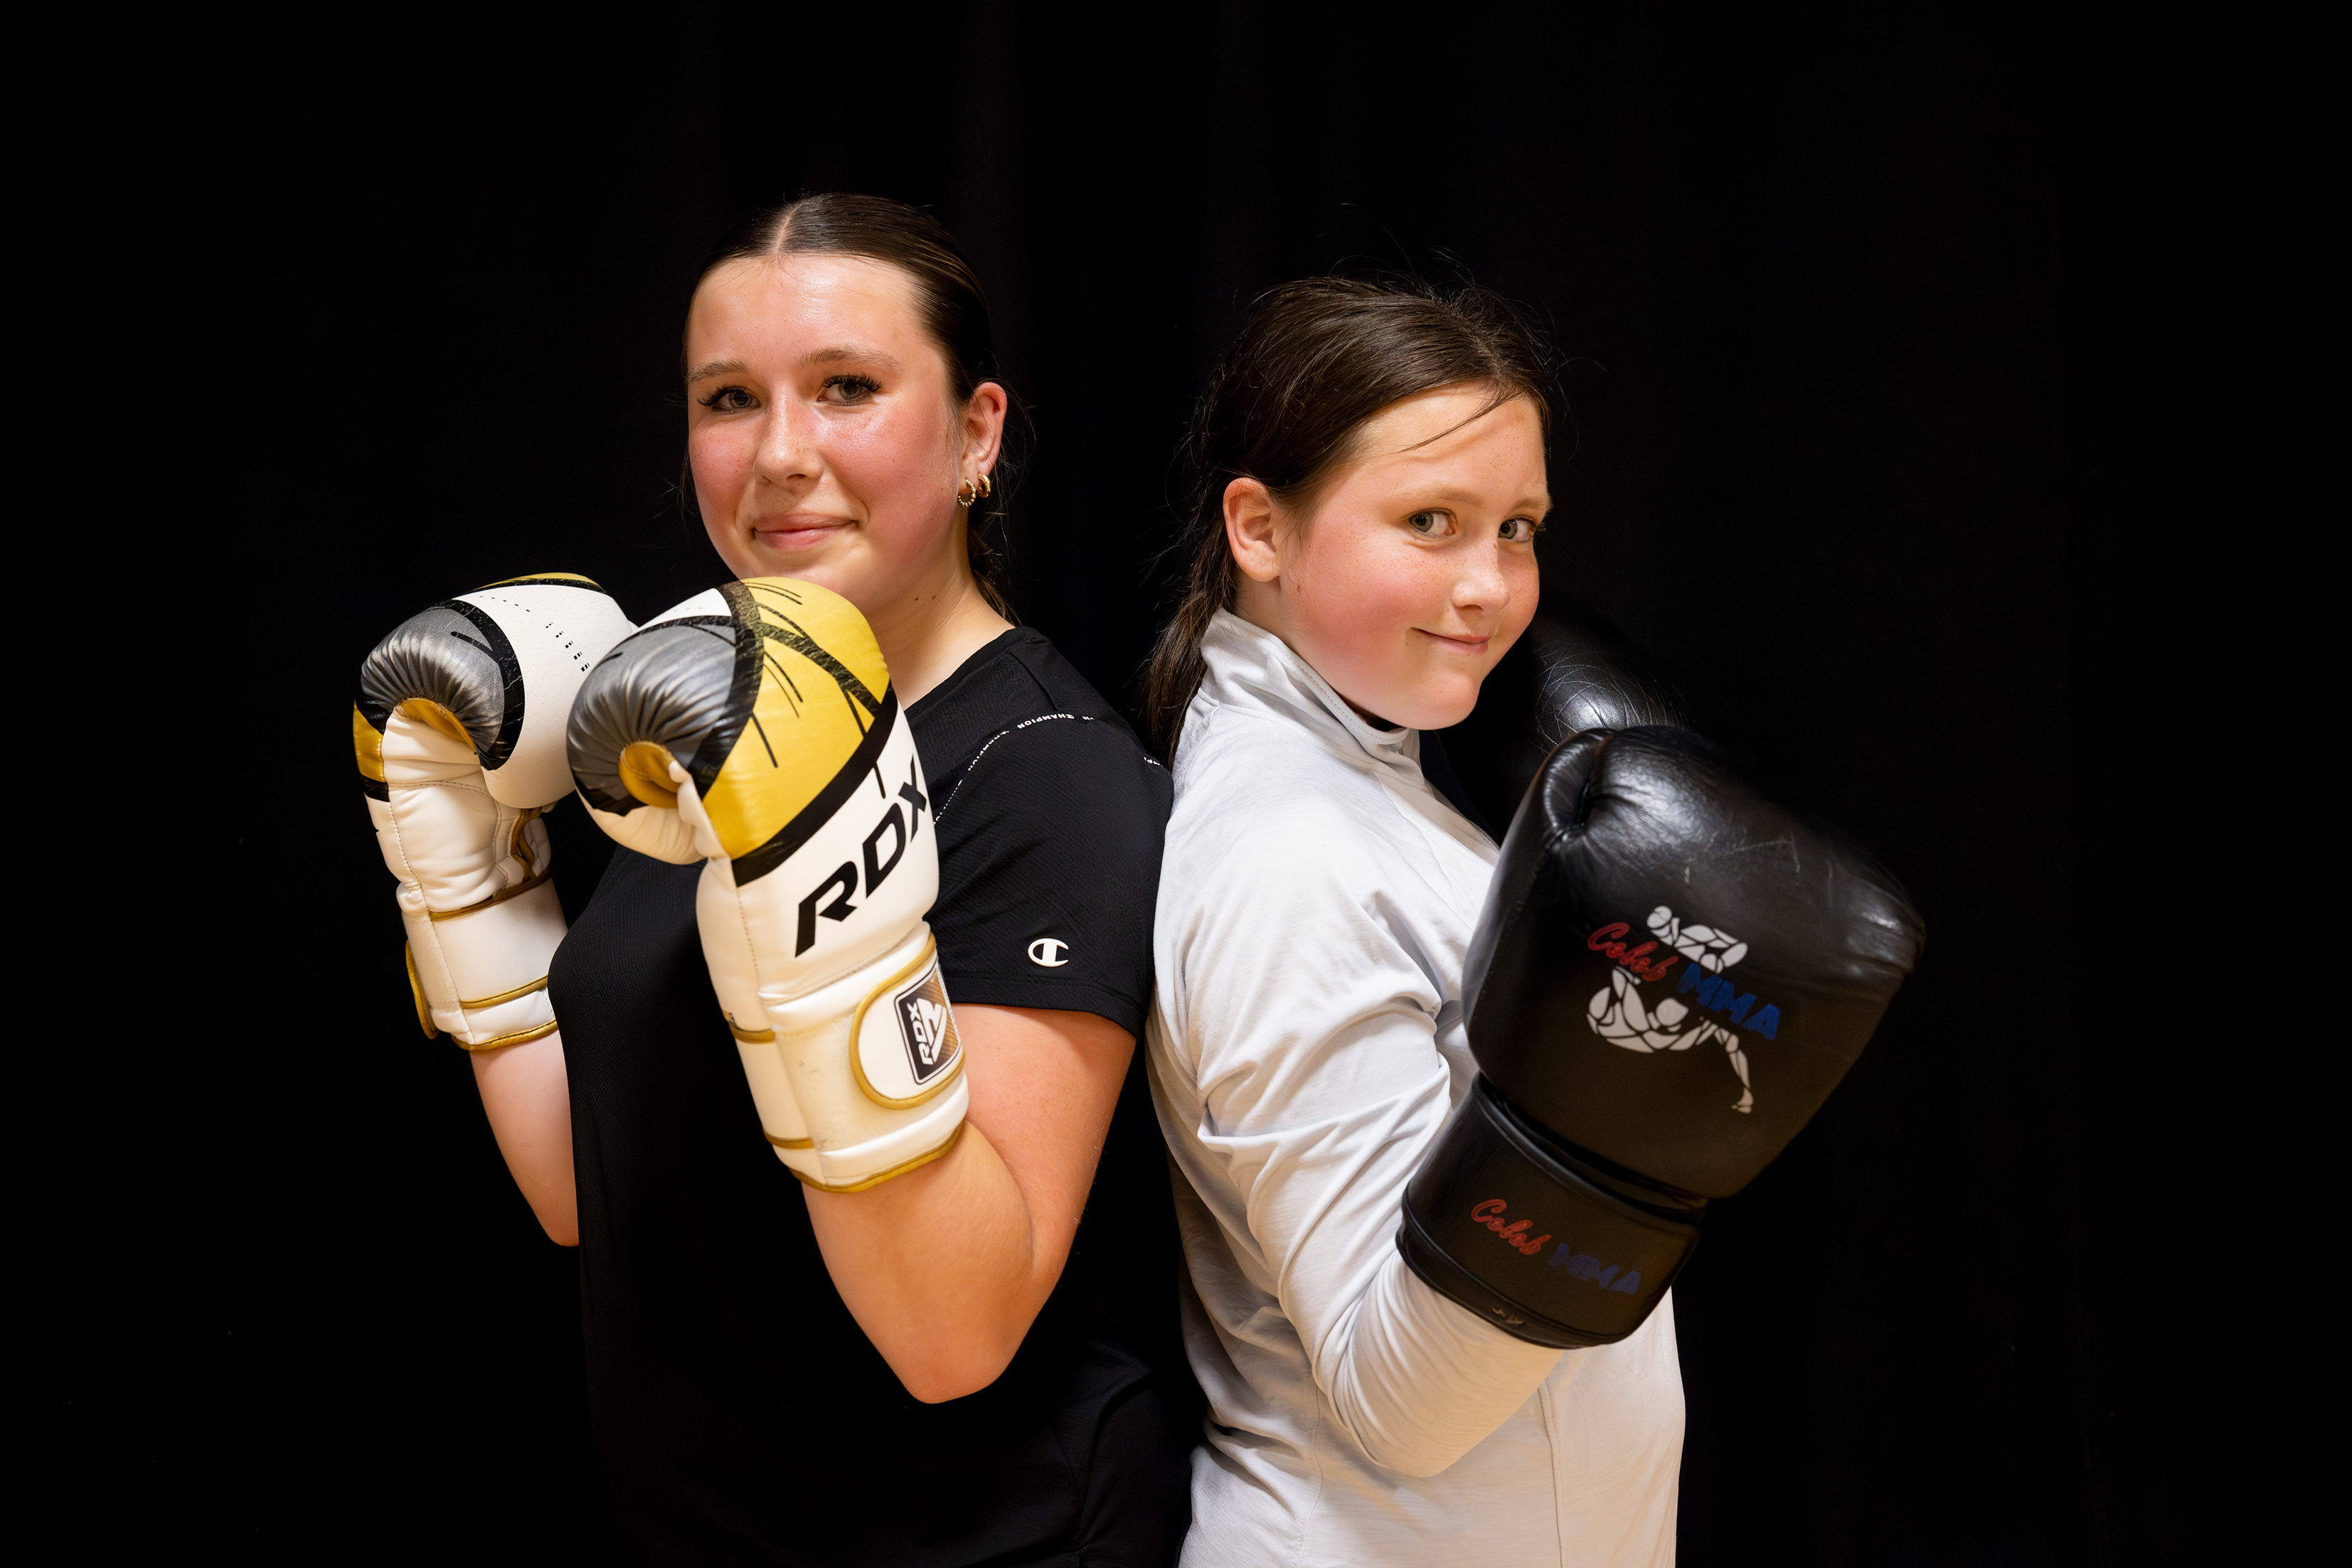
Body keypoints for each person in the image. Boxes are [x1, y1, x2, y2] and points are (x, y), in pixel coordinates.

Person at [375, 194, 1192, 1564]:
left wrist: (830, 928)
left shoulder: (1050, 775)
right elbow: (589, 1193)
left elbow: (953, 1335)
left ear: (979, 432)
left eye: (849, 389)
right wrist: (470, 886)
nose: (780, 454)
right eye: (730, 398)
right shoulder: (699, 721)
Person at [1137, 279, 1687, 1565]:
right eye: (1429, 521)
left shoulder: (1376, 779)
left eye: (1519, 527)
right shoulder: (1290, 858)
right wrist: (1622, 1120)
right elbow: (1402, 1396)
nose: (1490, 585)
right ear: (1261, 530)